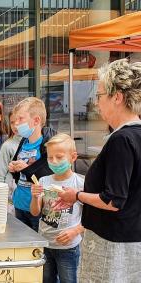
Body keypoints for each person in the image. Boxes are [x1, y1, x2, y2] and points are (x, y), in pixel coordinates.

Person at [54, 59, 141, 282]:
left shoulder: (121, 140)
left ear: (117, 98)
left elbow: (112, 200)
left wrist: (76, 196)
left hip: (113, 244)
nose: (96, 102)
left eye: (100, 95)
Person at [30, 133, 84, 283]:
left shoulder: (79, 183)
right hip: (45, 242)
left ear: (73, 157)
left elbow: (91, 217)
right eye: (50, 157)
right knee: (47, 279)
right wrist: (35, 197)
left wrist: (75, 231)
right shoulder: (43, 180)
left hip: (68, 247)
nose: (54, 161)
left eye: (59, 157)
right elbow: (35, 212)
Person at [8, 97, 56, 231]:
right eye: (15, 120)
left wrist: (27, 168)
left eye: (21, 119)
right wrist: (14, 168)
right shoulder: (23, 142)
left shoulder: (47, 145)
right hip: (19, 204)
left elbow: (49, 175)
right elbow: (20, 172)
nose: (16, 124)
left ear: (36, 120)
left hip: (37, 208)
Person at [0, 111, 21, 214]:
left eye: (19, 122)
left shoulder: (34, 143)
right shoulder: (7, 145)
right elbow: (0, 175)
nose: (15, 126)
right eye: (12, 122)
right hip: (10, 194)